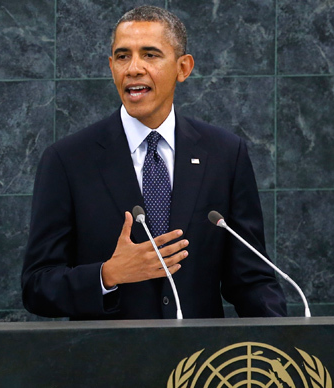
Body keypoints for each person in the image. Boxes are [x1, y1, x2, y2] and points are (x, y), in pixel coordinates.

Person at [21, 5, 286, 320]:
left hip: (199, 363)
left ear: (183, 67)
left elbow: (251, 278)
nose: (133, 68)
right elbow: (36, 286)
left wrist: (281, 346)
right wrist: (107, 275)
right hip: (107, 363)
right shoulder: (68, 160)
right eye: (122, 56)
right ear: (111, 67)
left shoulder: (225, 154)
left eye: (150, 55)